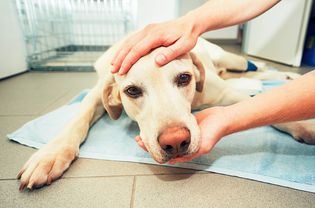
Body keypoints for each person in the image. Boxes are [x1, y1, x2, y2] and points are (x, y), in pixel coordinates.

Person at [111, 0, 315, 164]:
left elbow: (238, 99)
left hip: (210, 58)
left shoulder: (199, 68)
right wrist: (191, 23)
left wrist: (292, 123)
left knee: (237, 63)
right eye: (134, 91)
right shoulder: (114, 75)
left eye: (183, 79)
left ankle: (255, 67)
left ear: (197, 75)